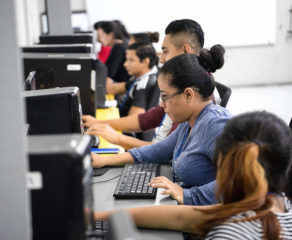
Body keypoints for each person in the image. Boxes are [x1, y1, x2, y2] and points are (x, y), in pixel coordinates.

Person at [95, 111, 292, 239]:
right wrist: (99, 216)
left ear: (221, 162)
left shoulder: (228, 233)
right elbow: (182, 217)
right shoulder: (281, 206)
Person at [92, 51, 232, 206]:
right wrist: (103, 160)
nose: (162, 104)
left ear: (188, 95)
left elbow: (237, 180)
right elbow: (157, 151)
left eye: (165, 96)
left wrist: (187, 195)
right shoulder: (189, 122)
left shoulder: (215, 124)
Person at [84, 19, 213, 149]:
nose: (162, 59)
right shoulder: (185, 85)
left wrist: (116, 138)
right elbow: (148, 119)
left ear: (186, 51)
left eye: (166, 51)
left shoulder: (192, 95)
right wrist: (101, 123)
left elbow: (168, 153)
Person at [105, 41, 159, 118]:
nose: (125, 64)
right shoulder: (142, 76)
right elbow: (111, 89)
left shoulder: (143, 85)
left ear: (145, 62)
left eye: (131, 60)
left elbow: (135, 121)